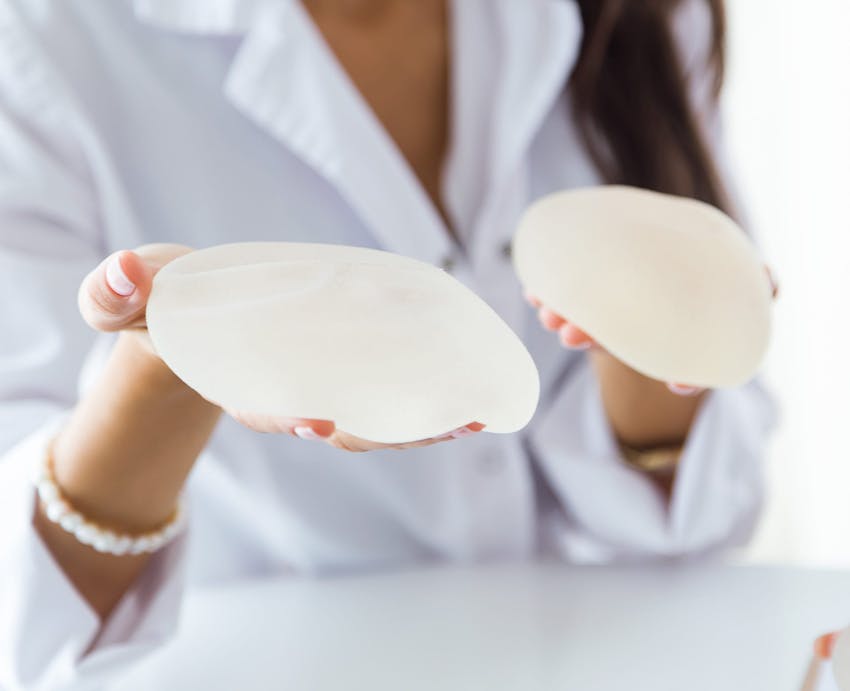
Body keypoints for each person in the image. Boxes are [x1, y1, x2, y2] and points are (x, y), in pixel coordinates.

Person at [0, 0, 775, 687]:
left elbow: (702, 525)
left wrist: (657, 330)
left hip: (585, 656)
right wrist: (167, 364)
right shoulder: (44, 47)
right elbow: (31, 617)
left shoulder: (641, 15)